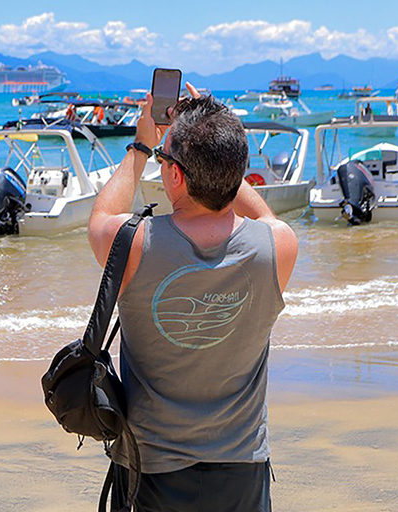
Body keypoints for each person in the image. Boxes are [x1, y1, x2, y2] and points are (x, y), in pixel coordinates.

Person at [88, 83, 298, 512]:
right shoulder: (277, 247)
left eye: (166, 160)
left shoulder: (132, 244)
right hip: (242, 463)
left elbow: (101, 216)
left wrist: (143, 143)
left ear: (175, 175)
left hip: (151, 466)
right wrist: (216, 140)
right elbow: (263, 215)